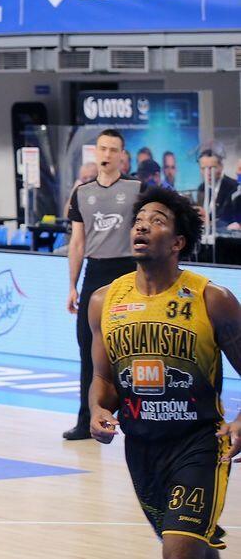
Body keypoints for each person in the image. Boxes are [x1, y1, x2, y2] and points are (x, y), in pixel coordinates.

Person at [89, 186, 241, 557]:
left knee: (178, 549)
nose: (141, 227)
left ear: (177, 243)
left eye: (156, 221)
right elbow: (104, 379)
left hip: (199, 443)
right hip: (140, 447)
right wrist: (97, 409)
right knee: (190, 545)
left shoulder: (212, 299)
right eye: (138, 221)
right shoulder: (104, 301)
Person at [63, 128, 142, 441]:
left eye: (113, 150)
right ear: (95, 152)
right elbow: (77, 243)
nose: (107, 154)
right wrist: (72, 285)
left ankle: (136, 419)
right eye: (103, 149)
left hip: (128, 271)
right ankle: (87, 421)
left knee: (131, 347)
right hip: (94, 272)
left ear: (122, 155)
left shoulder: (137, 189)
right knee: (88, 347)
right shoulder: (82, 193)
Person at [195, 148, 240, 231]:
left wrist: (209, 222)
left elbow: (229, 219)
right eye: (203, 168)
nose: (208, 172)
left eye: (212, 168)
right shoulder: (201, 188)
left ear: (221, 167)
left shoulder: (233, 187)